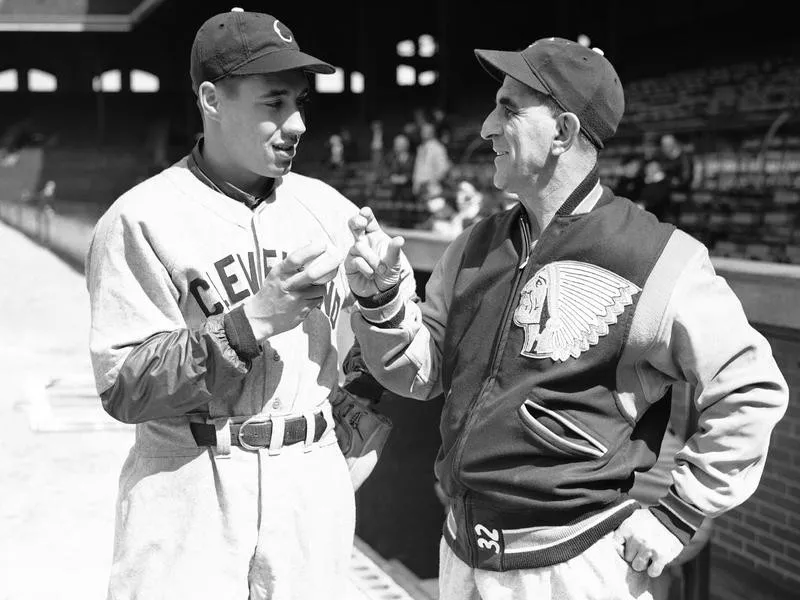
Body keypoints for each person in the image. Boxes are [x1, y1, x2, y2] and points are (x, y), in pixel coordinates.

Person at [344, 37, 788, 600]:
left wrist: (679, 513)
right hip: (460, 550)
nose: (485, 128)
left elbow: (751, 389)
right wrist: (381, 302)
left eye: (509, 109)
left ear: (565, 133)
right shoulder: (473, 245)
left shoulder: (656, 256)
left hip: (575, 568)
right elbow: (423, 374)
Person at [85, 9, 393, 600]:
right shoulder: (140, 218)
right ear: (211, 99)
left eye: (300, 101)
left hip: (308, 492)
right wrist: (249, 324)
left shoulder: (328, 208)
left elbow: (368, 356)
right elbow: (123, 384)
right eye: (274, 103)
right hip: (189, 488)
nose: (298, 122)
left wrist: (381, 304)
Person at [412, 121, 451, 196]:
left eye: (427, 131)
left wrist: (432, 182)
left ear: (433, 132)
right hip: (419, 188)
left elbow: (443, 169)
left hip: (432, 189)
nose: (423, 133)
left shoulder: (438, 147)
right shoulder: (421, 148)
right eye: (422, 131)